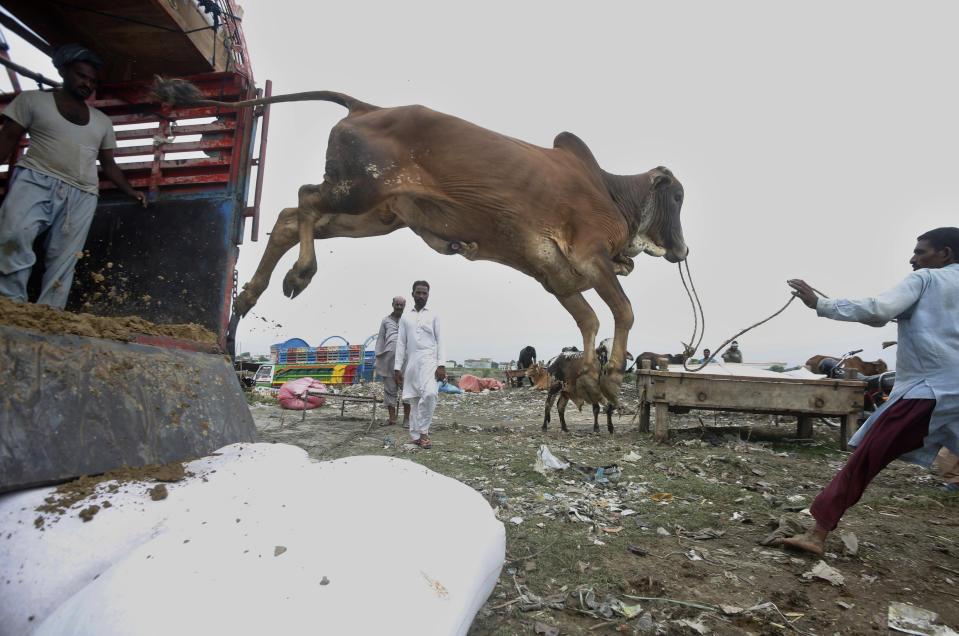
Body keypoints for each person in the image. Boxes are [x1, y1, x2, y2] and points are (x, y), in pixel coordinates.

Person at [781, 227, 959, 554]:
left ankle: (816, 534)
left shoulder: (926, 281)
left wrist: (820, 304)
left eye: (921, 252)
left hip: (928, 392)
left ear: (945, 254)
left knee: (864, 459)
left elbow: (879, 309)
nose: (913, 259)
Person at [0, 44, 146, 309]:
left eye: (91, 80)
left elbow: (109, 164)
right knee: (13, 237)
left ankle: (50, 314)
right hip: (34, 179)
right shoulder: (32, 100)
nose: (86, 84)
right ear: (64, 71)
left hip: (82, 193)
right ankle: (11, 306)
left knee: (65, 257)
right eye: (81, 76)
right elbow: (6, 141)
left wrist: (131, 190)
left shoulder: (101, 121)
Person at [394, 280, 445, 449]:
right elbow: (401, 344)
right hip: (412, 362)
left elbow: (441, 341)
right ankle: (416, 436)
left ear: (428, 295)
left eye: (424, 293)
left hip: (430, 359)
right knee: (414, 400)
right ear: (413, 294)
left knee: (430, 394)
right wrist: (397, 368)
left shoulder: (434, 315)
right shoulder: (405, 317)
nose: (421, 296)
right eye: (418, 293)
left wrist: (441, 364)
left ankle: (424, 432)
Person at [373, 295, 410, 426]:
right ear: (393, 304)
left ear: (404, 306)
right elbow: (381, 339)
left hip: (406, 361)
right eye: (397, 304)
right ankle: (392, 419)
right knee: (389, 389)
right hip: (388, 360)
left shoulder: (408, 319)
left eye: (401, 305)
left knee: (407, 389)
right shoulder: (385, 321)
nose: (399, 307)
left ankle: (407, 419)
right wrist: (379, 356)